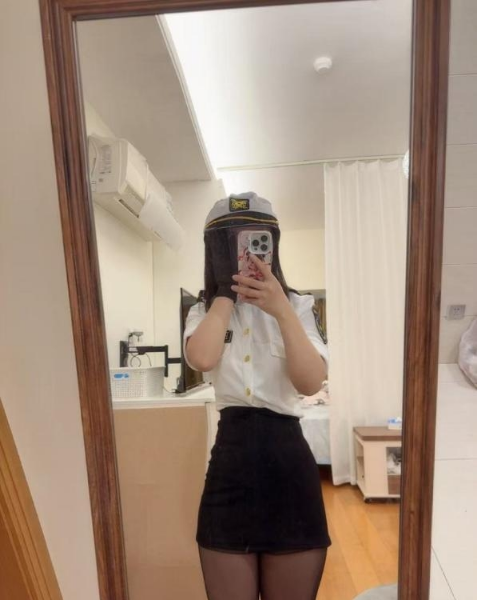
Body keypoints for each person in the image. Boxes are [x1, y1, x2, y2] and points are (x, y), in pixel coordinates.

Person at [183, 191, 332, 600]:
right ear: (217, 251)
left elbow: (310, 382)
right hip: (229, 470)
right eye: (233, 243)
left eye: (255, 241)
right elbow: (202, 357)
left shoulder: (299, 306)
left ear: (271, 244)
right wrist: (224, 296)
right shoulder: (203, 311)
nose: (246, 254)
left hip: (290, 470)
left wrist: (281, 309)